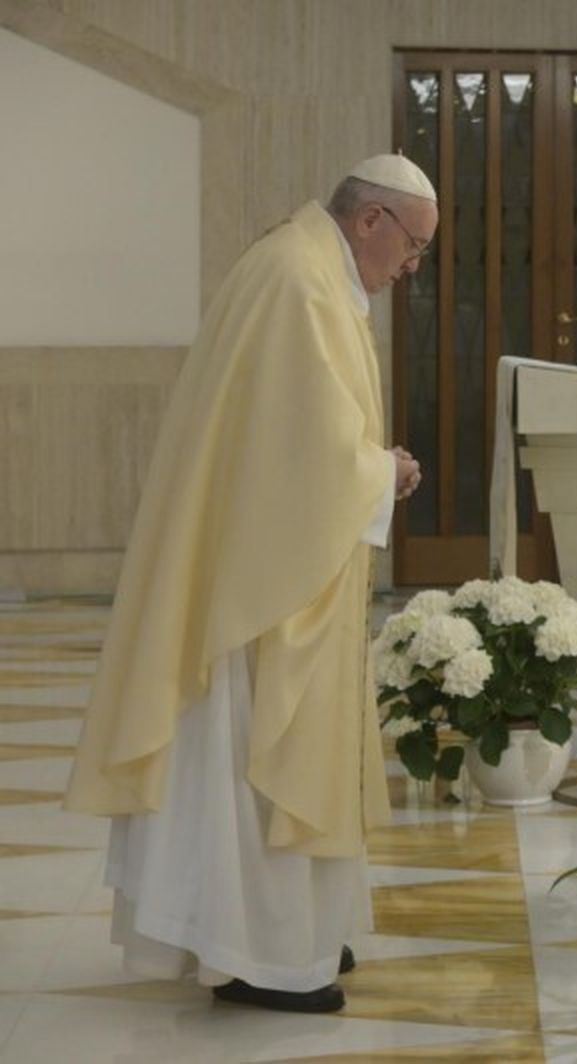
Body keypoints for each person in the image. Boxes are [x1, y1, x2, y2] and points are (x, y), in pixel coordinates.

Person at [64, 155, 438, 1013]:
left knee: (258, 765)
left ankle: (285, 937)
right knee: (258, 761)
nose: (411, 267)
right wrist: (382, 473)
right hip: (262, 594)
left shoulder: (306, 267)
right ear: (371, 219)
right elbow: (297, 458)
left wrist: (370, 472)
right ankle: (265, 955)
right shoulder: (299, 283)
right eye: (412, 246)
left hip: (263, 571)